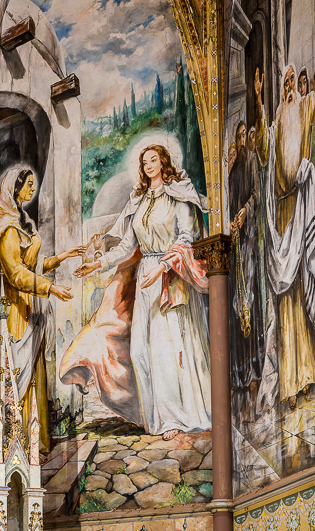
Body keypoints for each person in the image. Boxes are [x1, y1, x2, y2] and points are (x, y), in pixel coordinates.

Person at [62, 145, 211, 438]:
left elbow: (186, 238)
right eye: (144, 162)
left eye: (154, 160)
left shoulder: (178, 196)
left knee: (168, 350)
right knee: (143, 349)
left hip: (170, 277)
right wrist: (97, 265)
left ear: (164, 162)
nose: (149, 166)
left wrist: (164, 266)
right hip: (146, 279)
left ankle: (174, 419)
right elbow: (127, 247)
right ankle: (155, 415)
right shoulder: (140, 201)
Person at [255, 6, 315, 411]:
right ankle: (288, 381)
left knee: (302, 288)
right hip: (280, 215)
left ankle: (308, 373)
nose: (288, 87)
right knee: (283, 300)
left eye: (290, 81)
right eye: (283, 83)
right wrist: (257, 102)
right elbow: (265, 156)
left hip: (299, 212)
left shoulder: (303, 108)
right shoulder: (276, 120)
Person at [0, 168, 84, 451]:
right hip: (16, 310)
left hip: (31, 306)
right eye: (28, 184)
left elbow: (32, 263)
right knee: (18, 372)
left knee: (33, 373)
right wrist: (50, 288)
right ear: (14, 187)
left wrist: (62, 257)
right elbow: (16, 273)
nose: (32, 189)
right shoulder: (6, 228)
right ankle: (12, 444)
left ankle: (34, 442)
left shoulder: (23, 222)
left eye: (33, 185)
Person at [229, 120, 264, 401]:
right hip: (234, 243)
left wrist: (244, 213)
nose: (242, 141)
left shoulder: (251, 161)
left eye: (244, 135)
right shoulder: (231, 170)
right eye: (239, 137)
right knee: (234, 306)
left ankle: (253, 371)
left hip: (248, 239)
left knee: (248, 301)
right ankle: (238, 374)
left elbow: (256, 195)